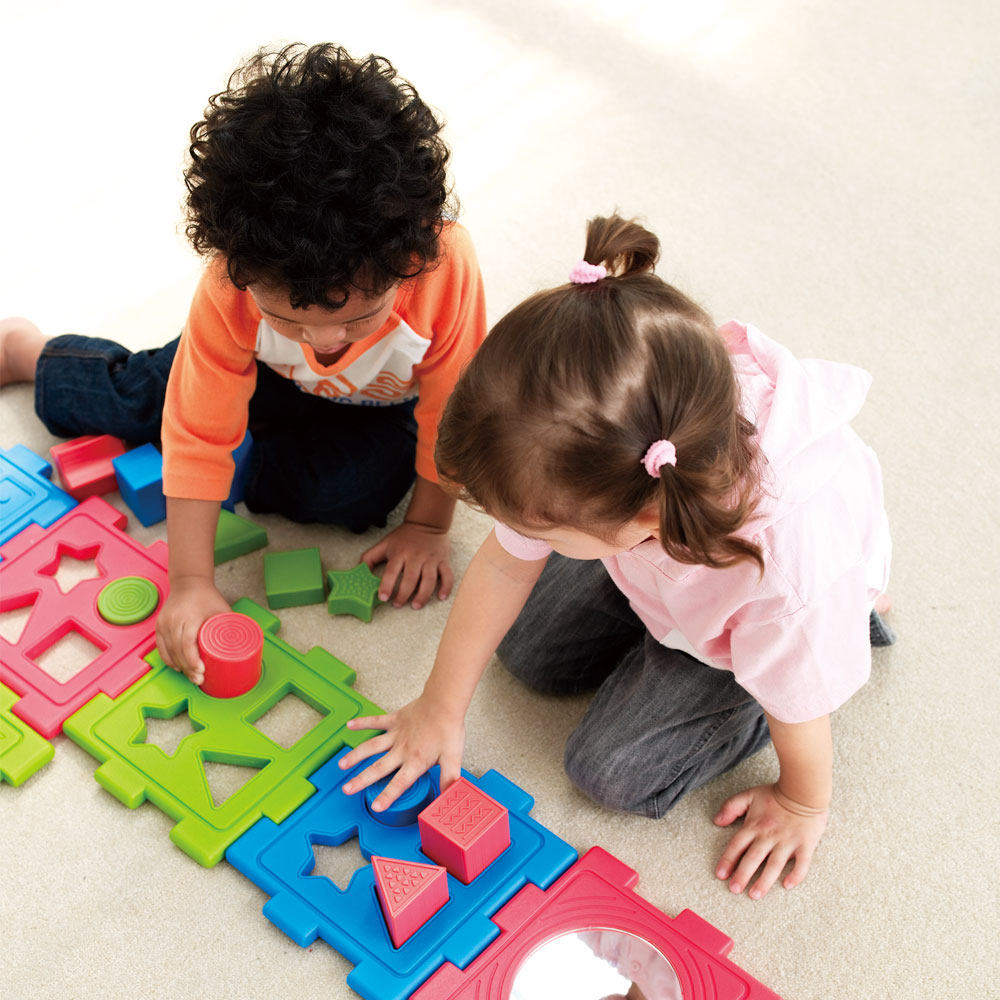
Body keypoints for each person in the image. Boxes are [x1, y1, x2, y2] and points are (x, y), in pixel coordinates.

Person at [336, 214, 894, 900]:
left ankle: (833, 637)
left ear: (641, 518)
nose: (518, 535)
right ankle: (632, 590)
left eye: (538, 529)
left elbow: (800, 699)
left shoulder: (783, 572)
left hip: (757, 630)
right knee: (528, 651)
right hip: (649, 562)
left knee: (611, 771)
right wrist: (438, 707)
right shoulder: (607, 443)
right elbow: (507, 563)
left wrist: (803, 802)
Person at [0, 43, 486, 683]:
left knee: (352, 493)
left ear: (410, 261)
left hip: (374, 405)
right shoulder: (229, 287)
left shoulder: (442, 267)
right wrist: (190, 581)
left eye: (359, 318)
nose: (325, 342)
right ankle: (26, 350)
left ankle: (241, 450)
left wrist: (428, 524)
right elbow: (197, 430)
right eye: (292, 319)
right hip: (257, 372)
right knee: (140, 398)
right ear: (238, 270)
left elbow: (453, 414)